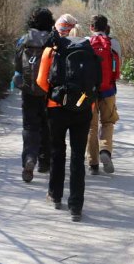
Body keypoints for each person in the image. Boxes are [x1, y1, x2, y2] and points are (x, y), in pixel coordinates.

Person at [36, 14, 102, 222]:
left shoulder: (52, 50)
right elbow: (96, 84)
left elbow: (40, 81)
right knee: (77, 157)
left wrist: (57, 96)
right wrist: (84, 101)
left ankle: (55, 196)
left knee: (57, 152)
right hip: (82, 109)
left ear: (59, 30)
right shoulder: (89, 50)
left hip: (56, 108)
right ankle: (76, 207)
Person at [13, 7, 56, 183]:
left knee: (30, 126)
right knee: (47, 125)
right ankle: (45, 162)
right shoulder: (55, 40)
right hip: (50, 90)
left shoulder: (24, 40)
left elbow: (17, 66)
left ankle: (30, 158)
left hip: (29, 90)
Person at [86, 15, 120, 175]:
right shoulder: (113, 43)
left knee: (91, 126)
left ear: (91, 27)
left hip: (89, 92)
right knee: (107, 122)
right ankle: (105, 150)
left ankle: (93, 164)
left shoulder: (85, 43)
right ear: (106, 27)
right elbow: (117, 69)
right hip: (108, 90)